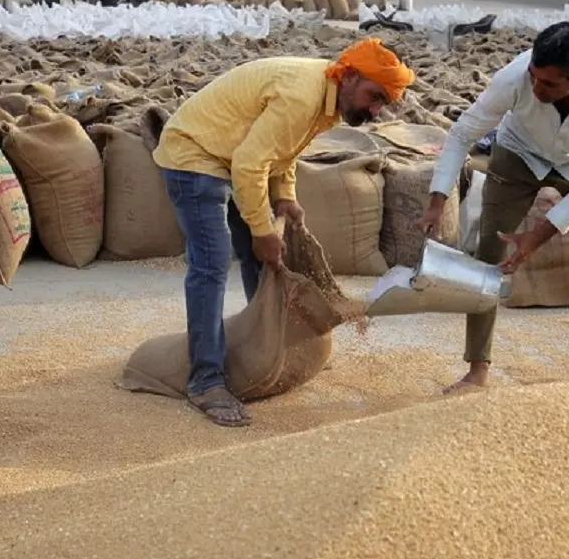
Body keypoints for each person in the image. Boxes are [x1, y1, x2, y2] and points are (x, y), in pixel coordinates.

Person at [153, 38, 415, 427]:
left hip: (233, 156)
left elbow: (282, 152)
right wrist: (262, 229)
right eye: (374, 96)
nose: (376, 110)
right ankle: (205, 381)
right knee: (212, 261)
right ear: (350, 76)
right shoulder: (301, 95)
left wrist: (286, 198)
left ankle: (269, 347)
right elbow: (250, 164)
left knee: (264, 260)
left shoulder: (328, 99)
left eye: (383, 103)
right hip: (195, 154)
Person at [417, 21, 569, 392]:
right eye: (534, 77)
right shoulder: (515, 77)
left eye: (548, 84)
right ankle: (477, 370)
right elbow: (463, 134)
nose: (536, 87)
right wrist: (437, 200)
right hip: (518, 153)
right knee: (487, 256)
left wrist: (538, 235)